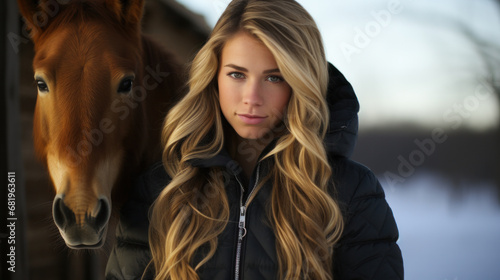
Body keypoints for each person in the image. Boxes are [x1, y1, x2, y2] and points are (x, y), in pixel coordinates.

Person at [105, 0, 404, 279]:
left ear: (302, 83)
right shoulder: (161, 190)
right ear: (214, 76)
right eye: (237, 75)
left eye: (274, 77)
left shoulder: (351, 192)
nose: (252, 99)